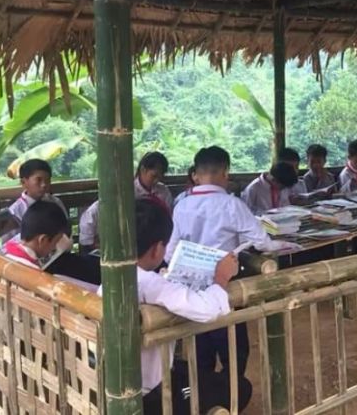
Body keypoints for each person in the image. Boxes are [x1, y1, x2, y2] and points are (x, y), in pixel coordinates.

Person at [165, 146, 298, 388]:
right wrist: (287, 244)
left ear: (197, 173)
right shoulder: (231, 205)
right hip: (227, 287)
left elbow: (170, 252)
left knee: (200, 347)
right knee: (233, 349)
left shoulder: (182, 205)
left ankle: (205, 397)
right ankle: (232, 395)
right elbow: (262, 241)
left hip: (194, 289)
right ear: (225, 173)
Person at [120, 199, 250, 415]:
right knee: (241, 388)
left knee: (191, 370)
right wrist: (221, 278)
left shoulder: (116, 279)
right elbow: (206, 309)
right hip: (149, 393)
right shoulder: (151, 283)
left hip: (123, 380)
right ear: (156, 249)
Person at [80, 151, 173, 252]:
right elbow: (94, 213)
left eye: (160, 177)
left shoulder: (164, 192)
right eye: (154, 176)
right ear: (143, 169)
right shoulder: (126, 191)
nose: (156, 181)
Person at [2, 201, 71, 268]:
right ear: (43, 240)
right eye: (56, 242)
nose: (54, 248)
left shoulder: (6, 254)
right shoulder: (33, 272)